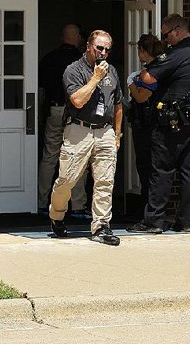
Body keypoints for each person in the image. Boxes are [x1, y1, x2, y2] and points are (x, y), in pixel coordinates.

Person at [128, 14, 190, 234]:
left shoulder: (177, 54)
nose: (165, 41)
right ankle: (186, 221)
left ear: (176, 31)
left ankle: (153, 221)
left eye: (166, 36)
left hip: (172, 121)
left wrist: (140, 75)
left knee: (161, 169)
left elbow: (147, 80)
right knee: (189, 169)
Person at [49, 30, 123, 246]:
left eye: (107, 49)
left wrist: (117, 134)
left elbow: (118, 104)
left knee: (105, 180)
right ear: (89, 46)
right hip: (78, 130)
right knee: (67, 180)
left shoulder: (113, 72)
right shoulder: (73, 70)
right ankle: (57, 215)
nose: (103, 53)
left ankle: (101, 226)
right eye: (100, 48)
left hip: (105, 131)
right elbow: (77, 100)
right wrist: (96, 78)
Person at [37, 24, 89, 217]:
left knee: (50, 155)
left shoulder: (49, 58)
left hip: (54, 109)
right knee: (77, 157)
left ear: (62, 37)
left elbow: (40, 90)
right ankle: (77, 205)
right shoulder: (81, 61)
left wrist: (42, 113)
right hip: (75, 112)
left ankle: (42, 202)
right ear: (77, 39)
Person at [127, 34, 165, 213]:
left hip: (148, 125)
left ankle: (148, 212)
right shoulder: (159, 67)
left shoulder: (152, 71)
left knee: (147, 168)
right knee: (146, 168)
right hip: (146, 123)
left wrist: (131, 83)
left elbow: (141, 97)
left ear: (143, 51)